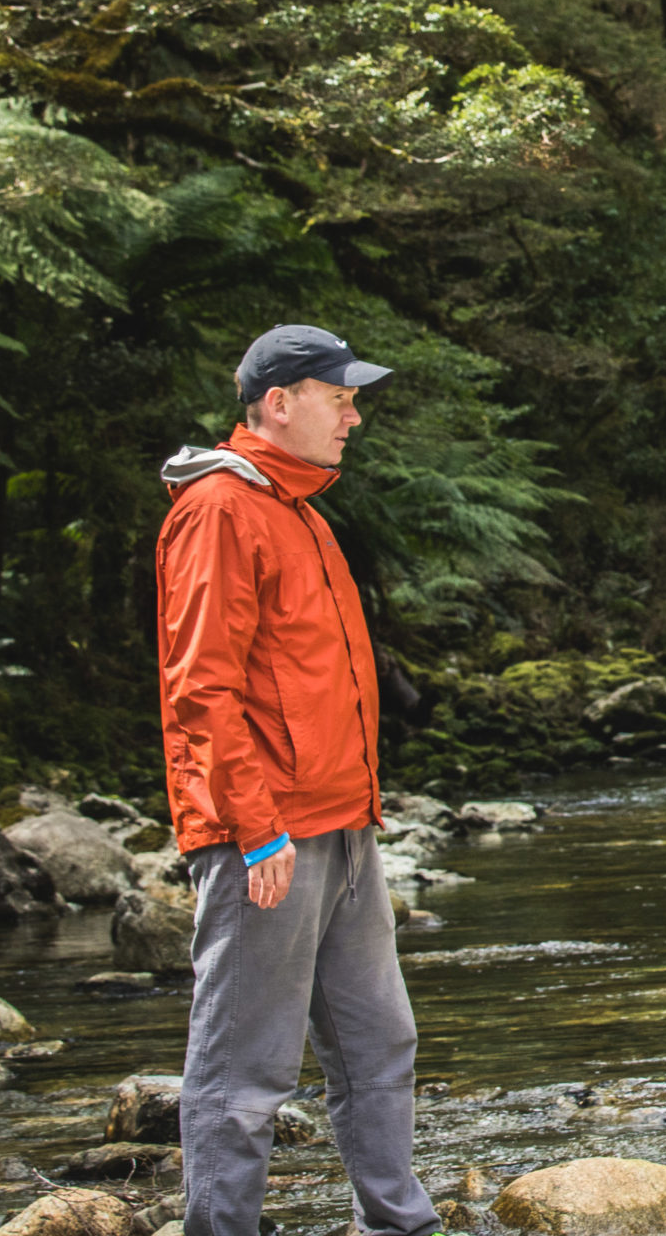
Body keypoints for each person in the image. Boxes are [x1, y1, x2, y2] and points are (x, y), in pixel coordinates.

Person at [155, 324, 440, 1236]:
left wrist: (358, 813)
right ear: (278, 402)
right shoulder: (219, 510)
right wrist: (255, 826)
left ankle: (397, 1224)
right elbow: (202, 686)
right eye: (340, 395)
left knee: (378, 1043)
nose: (354, 414)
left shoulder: (300, 511)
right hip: (266, 838)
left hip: (345, 827)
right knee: (247, 1071)